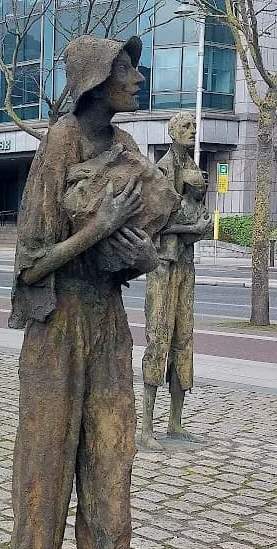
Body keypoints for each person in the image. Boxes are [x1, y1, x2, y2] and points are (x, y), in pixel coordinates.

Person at [7, 35, 161, 549]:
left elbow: (150, 232)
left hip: (107, 328)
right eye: (127, 69)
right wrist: (97, 231)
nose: (138, 79)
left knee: (109, 486)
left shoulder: (126, 151)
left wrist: (137, 254)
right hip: (56, 331)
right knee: (41, 492)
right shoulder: (58, 145)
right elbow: (29, 264)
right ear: (97, 81)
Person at [140, 112, 213, 451]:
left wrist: (197, 229)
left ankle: (175, 422)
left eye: (193, 127)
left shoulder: (194, 169)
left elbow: (196, 214)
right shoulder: (161, 170)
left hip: (185, 265)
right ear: (171, 132)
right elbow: (153, 224)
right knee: (159, 338)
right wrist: (192, 229)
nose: (191, 131)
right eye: (185, 126)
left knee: (185, 339)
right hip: (162, 266)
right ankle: (146, 427)